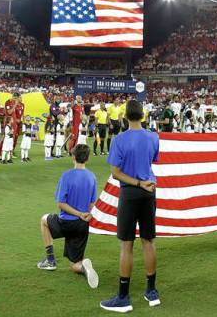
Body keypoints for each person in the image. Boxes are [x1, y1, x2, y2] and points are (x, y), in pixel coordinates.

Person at [100, 98, 160, 313]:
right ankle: (151, 291)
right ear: (143, 115)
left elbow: (115, 172)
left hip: (131, 192)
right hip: (149, 191)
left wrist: (135, 182)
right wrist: (143, 181)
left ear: (124, 117)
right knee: (148, 241)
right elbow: (152, 161)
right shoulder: (154, 137)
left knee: (127, 244)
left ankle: (123, 297)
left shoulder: (119, 140)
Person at [37, 143, 99, 289]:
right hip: (82, 225)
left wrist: (77, 213)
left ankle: (50, 260)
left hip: (66, 223)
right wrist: (86, 215)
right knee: (74, 265)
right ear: (88, 158)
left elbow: (61, 204)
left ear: (73, 157)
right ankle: (84, 267)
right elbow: (92, 205)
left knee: (44, 220)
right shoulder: (92, 177)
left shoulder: (66, 176)